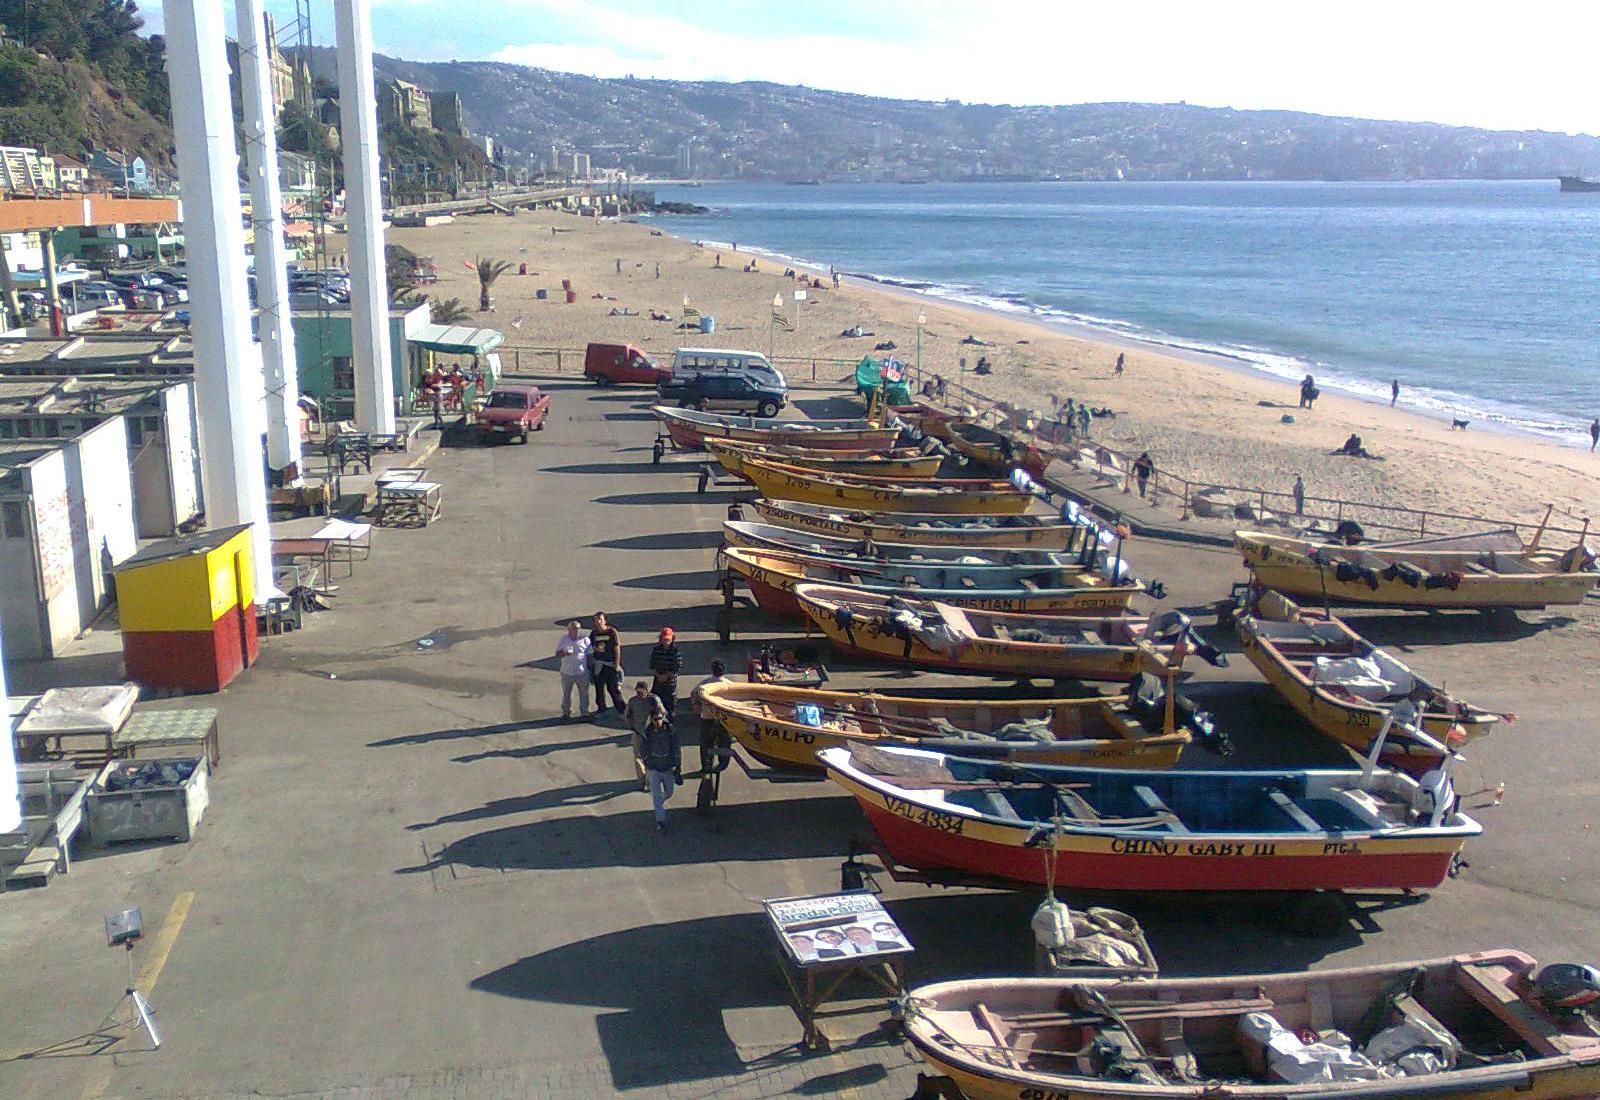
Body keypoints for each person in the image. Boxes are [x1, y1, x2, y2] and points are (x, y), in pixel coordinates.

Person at [640, 703, 681, 834]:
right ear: (651, 719)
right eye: (655, 719)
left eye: (660, 718)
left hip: (667, 767)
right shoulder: (647, 732)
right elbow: (643, 749)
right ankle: (660, 821)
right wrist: (647, 763)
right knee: (656, 797)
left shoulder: (670, 730)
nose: (658, 721)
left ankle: (659, 805)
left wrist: (678, 766)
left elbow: (676, 748)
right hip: (654, 770)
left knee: (669, 793)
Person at [691, 659, 729, 776]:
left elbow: (693, 694)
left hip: (707, 716)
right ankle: (722, 764)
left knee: (706, 742)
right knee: (724, 741)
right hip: (723, 717)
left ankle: (706, 765)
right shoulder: (728, 684)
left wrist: (696, 706)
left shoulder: (705, 683)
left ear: (712, 670)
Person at [589, 612, 625, 718]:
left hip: (610, 664)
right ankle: (601, 709)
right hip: (598, 665)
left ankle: (622, 710)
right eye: (596, 620)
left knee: (613, 689)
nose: (598, 621)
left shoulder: (611, 632)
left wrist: (617, 664)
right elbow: (590, 648)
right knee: (599, 689)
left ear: (605, 620)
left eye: (600, 619)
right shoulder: (593, 633)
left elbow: (617, 647)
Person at [554, 621, 591, 721]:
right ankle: (566, 712)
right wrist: (564, 653)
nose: (576, 630)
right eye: (574, 628)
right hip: (567, 672)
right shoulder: (564, 640)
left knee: (584, 693)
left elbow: (590, 653)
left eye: (578, 628)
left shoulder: (585, 639)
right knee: (566, 693)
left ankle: (585, 712)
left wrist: (590, 667)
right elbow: (557, 653)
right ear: (569, 629)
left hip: (582, 672)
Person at [624, 681, 656, 790]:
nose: (639, 693)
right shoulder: (632, 701)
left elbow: (662, 712)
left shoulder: (653, 700)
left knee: (651, 757)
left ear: (647, 691)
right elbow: (627, 714)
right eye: (638, 691)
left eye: (641, 691)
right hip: (637, 732)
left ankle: (650, 780)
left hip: (652, 734)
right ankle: (642, 779)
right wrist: (631, 726)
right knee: (638, 757)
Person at [648, 627, 683, 716]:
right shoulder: (656, 650)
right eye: (664, 639)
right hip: (658, 681)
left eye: (668, 639)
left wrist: (666, 676)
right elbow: (652, 665)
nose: (666, 642)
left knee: (670, 703)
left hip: (670, 682)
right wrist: (658, 675)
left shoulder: (675, 652)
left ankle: (670, 721)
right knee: (655, 701)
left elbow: (677, 666)